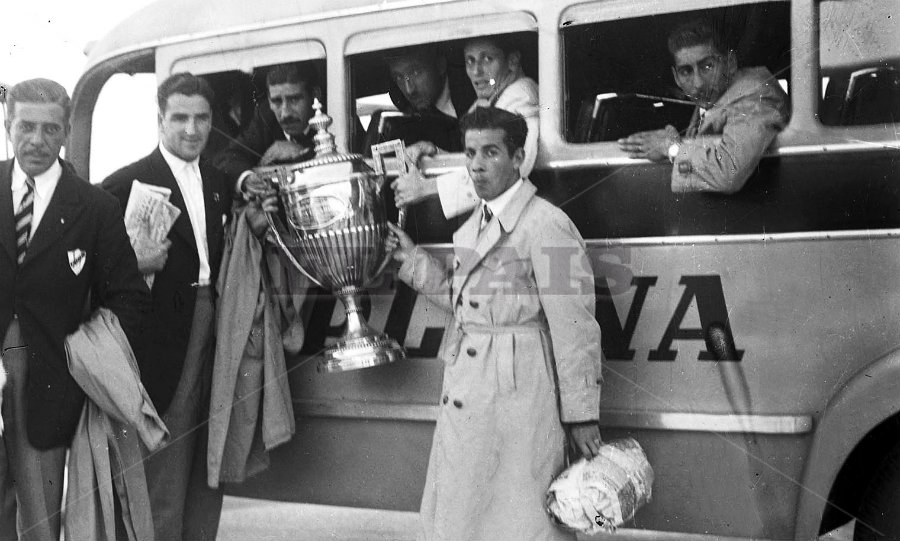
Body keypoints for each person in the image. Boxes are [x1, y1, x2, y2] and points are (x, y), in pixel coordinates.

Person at [386, 107, 602, 541]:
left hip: (520, 394)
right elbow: (466, 303)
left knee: (518, 519)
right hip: (474, 389)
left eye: (491, 152)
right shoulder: (476, 223)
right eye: (470, 153)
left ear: (519, 157)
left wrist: (581, 416)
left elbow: (574, 326)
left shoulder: (547, 224)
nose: (477, 165)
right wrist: (412, 261)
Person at [0, 78, 149, 541]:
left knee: (40, 521)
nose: (37, 140)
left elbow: (129, 298)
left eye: (50, 129)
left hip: (47, 381)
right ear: (7, 126)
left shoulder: (95, 207)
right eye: (26, 127)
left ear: (66, 132)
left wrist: (85, 354)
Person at [102, 73, 246, 541]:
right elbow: (96, 275)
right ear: (160, 119)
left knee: (208, 456)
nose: (191, 129)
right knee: (163, 465)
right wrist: (135, 263)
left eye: (201, 118)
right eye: (180, 117)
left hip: (214, 325)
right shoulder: (124, 183)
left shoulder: (219, 181)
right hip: (160, 339)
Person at [618, 19, 789, 194]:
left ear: (730, 63)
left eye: (708, 66)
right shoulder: (713, 100)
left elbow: (728, 171)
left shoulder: (755, 97)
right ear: (676, 77)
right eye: (686, 71)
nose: (698, 83)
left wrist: (670, 147)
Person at [392, 35, 539, 219]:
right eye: (470, 61)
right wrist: (435, 151)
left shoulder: (521, 97)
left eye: (487, 59)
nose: (477, 71)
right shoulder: (489, 101)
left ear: (512, 61)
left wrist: (426, 188)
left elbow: (508, 169)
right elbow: (475, 164)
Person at [213, 62, 322, 186]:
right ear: (269, 101)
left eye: (294, 99)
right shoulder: (265, 118)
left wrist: (303, 152)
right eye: (277, 101)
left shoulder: (333, 110)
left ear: (315, 95)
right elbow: (227, 158)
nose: (285, 113)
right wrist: (248, 178)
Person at [365, 45, 475, 154]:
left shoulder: (474, 94)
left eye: (415, 72)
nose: (409, 90)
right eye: (399, 77)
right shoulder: (408, 128)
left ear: (440, 65)